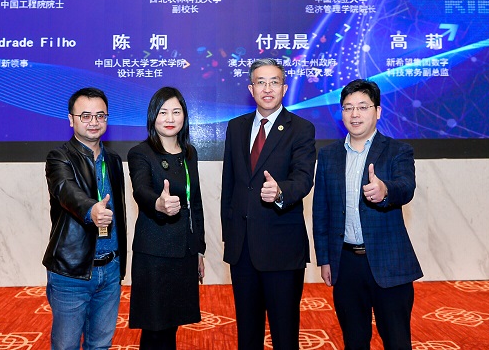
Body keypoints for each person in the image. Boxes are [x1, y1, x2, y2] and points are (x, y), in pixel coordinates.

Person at [312, 79, 423, 350]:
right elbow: (321, 211)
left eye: (363, 107)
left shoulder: (398, 150)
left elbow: (405, 187)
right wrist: (325, 259)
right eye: (348, 108)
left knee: (397, 341)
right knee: (354, 341)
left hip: (389, 262)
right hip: (346, 264)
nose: (355, 114)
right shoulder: (328, 155)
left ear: (378, 111)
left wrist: (385, 191)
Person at [221, 58, 316, 350]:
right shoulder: (236, 128)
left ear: (284, 88)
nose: (267, 88)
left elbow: (303, 179)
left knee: (284, 334)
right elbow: (229, 186)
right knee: (248, 334)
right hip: (242, 249)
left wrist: (280, 192)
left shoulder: (301, 128)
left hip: (282, 249)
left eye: (274, 82)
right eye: (260, 82)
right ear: (251, 89)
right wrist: (229, 236)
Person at [42, 87, 127, 350]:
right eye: (86, 116)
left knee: (100, 345)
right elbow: (66, 191)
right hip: (72, 270)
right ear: (71, 119)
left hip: (110, 269)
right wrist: (91, 210)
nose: (94, 122)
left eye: (100, 116)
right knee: (66, 346)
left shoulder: (113, 160)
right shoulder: (59, 157)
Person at [127, 87, 206, 350]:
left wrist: (199, 249)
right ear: (153, 116)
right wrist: (159, 204)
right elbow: (141, 190)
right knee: (154, 328)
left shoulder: (189, 153)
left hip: (184, 252)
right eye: (163, 112)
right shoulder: (140, 152)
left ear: (184, 116)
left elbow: (195, 203)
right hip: (154, 254)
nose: (170, 118)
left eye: (176, 111)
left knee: (172, 324)